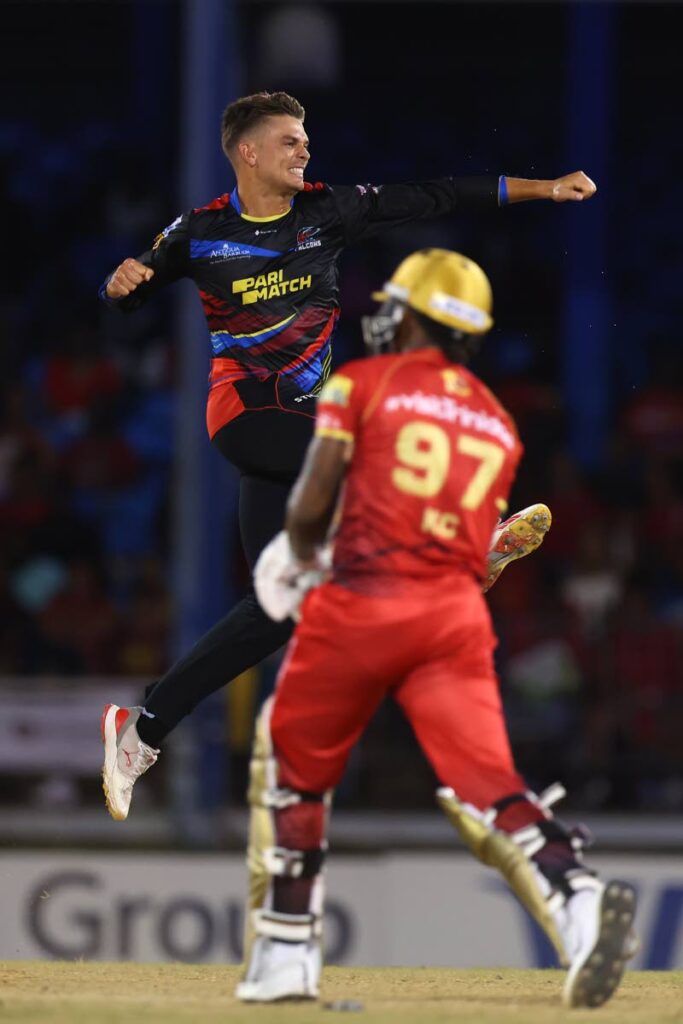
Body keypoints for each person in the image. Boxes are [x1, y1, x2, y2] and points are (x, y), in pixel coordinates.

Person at [99, 90, 595, 821]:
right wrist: (121, 281)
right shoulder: (201, 232)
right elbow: (132, 287)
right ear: (248, 152)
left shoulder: (327, 212)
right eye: (290, 140)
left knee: (275, 611)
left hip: (298, 436)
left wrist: (543, 188)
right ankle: (462, 541)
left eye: (306, 139)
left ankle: (139, 731)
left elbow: (434, 195)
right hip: (248, 415)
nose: (305, 150)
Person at [238, 248, 637, 1009]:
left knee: (290, 760)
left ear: (412, 314)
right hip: (451, 612)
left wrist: (294, 557)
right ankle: (575, 895)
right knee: (488, 779)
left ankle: (286, 951)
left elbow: (316, 498)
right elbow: (448, 539)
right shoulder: (497, 422)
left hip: (361, 600)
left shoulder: (361, 381)